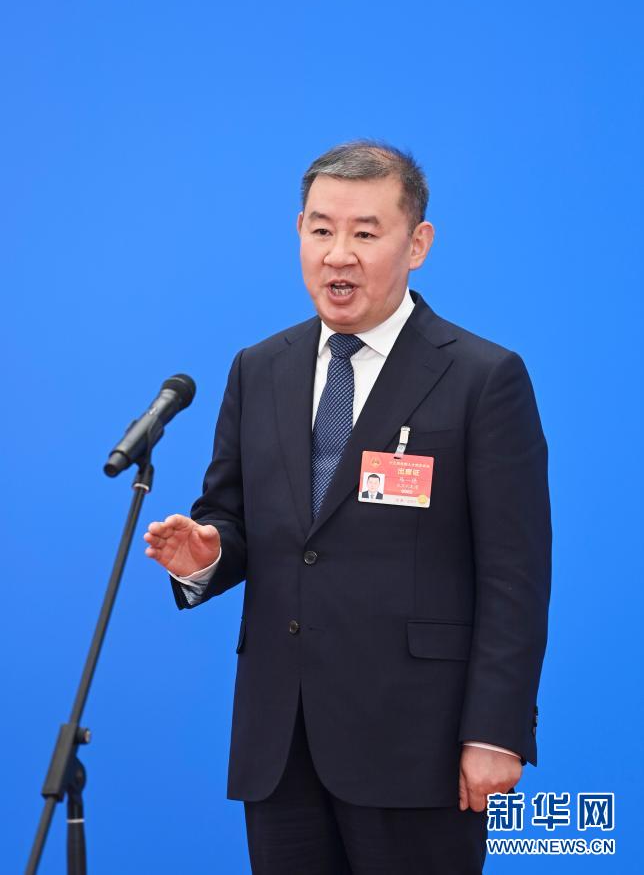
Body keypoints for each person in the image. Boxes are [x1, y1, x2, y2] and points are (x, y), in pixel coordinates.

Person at [144, 141, 551, 874]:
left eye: (366, 232)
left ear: (417, 244)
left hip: (418, 742)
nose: (339, 255)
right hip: (281, 742)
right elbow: (234, 519)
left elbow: (514, 575)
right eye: (321, 230)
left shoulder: (482, 378)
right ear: (298, 233)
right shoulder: (259, 368)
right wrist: (208, 554)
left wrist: (496, 730)